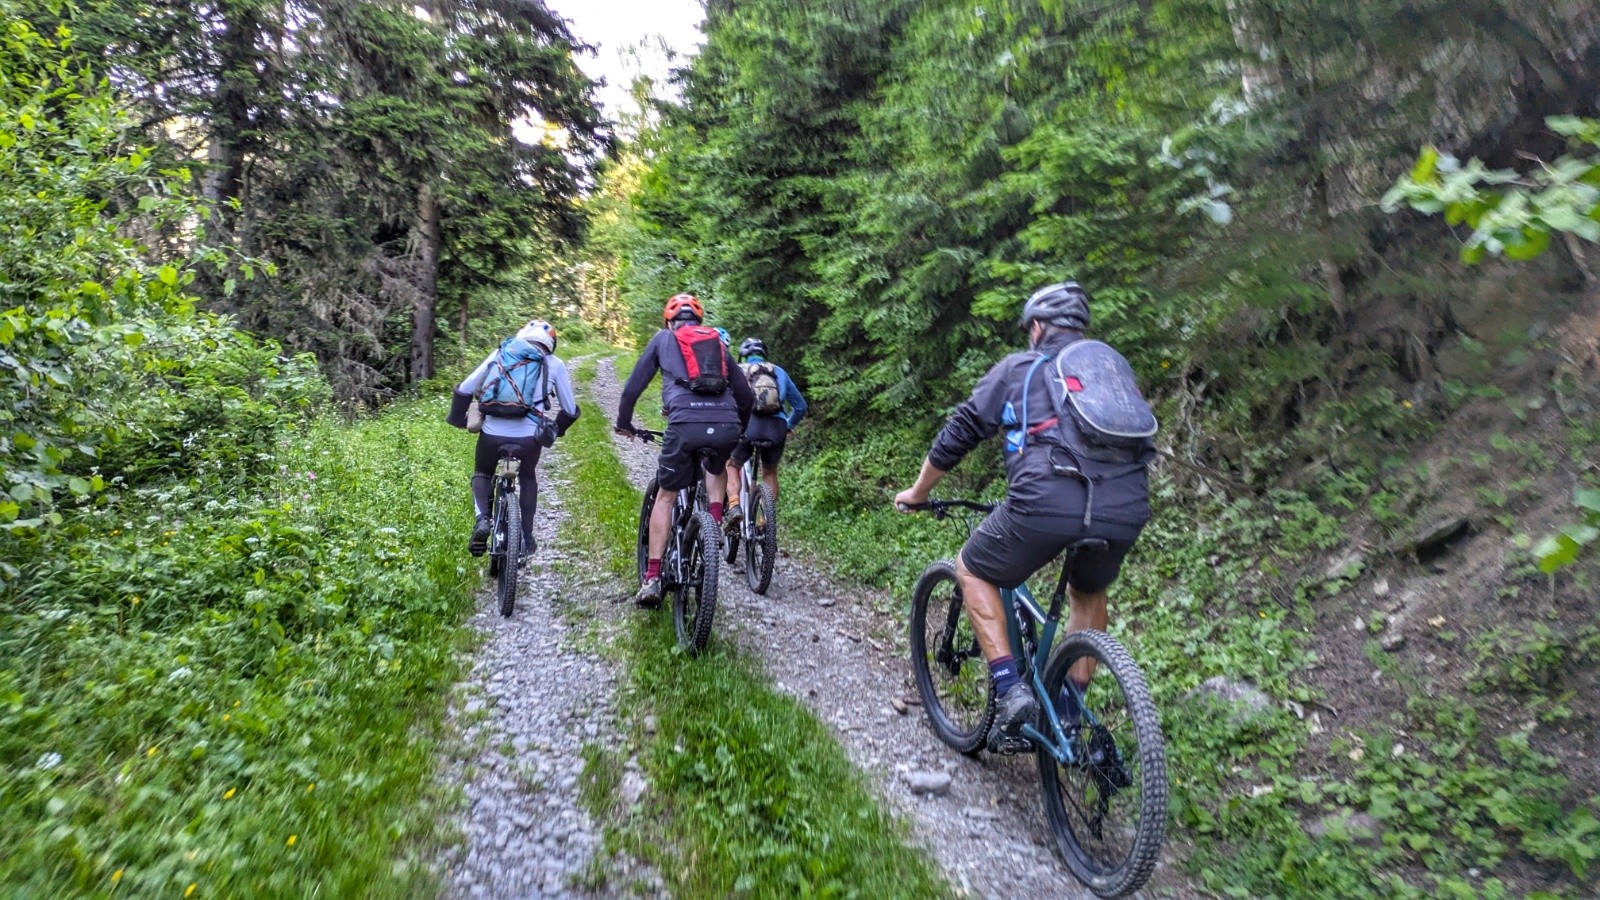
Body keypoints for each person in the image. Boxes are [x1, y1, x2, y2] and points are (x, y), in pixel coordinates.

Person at [892, 282, 1154, 751]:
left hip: (1045, 501)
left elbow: (962, 430)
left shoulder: (1019, 368)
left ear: (1037, 328)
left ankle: (1011, 691)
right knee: (1088, 592)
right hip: (1126, 506)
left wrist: (917, 492)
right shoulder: (1111, 374)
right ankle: (1070, 714)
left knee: (972, 568)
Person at [616, 294, 754, 606]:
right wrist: (739, 429)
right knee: (716, 467)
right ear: (699, 322)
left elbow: (632, 388)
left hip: (683, 424)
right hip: (726, 425)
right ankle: (714, 524)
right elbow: (745, 396)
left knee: (666, 495)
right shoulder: (718, 343)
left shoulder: (663, 339)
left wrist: (624, 422)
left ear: (669, 321)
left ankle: (652, 578)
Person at [447, 319, 580, 557]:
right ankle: (526, 538)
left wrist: (458, 418)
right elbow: (570, 409)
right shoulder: (554, 364)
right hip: (530, 439)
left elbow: (467, 387)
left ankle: (482, 520)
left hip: (492, 434)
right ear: (551, 344)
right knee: (528, 476)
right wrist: (557, 430)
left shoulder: (501, 353)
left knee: (483, 473)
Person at [724, 336, 808, 533]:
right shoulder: (778, 371)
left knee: (731, 464)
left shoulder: (736, 370)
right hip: (776, 427)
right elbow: (801, 407)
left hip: (746, 427)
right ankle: (765, 519)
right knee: (770, 471)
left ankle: (734, 504)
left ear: (743, 356)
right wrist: (788, 425)